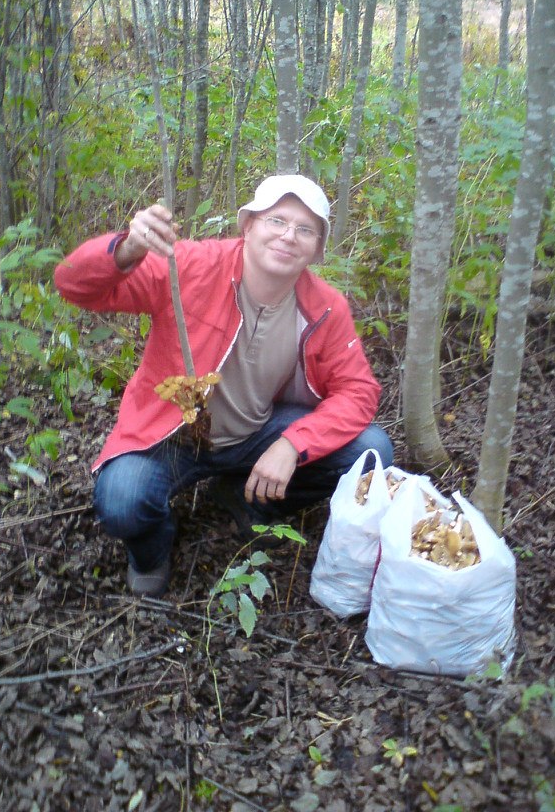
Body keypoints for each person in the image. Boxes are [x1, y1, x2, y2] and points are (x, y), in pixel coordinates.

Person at [54, 174, 393, 597]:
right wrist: (126, 250)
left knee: (371, 451)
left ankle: (246, 496)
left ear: (316, 249)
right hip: (171, 435)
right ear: (248, 226)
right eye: (277, 221)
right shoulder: (192, 266)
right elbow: (73, 284)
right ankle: (152, 549)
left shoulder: (325, 307)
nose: (289, 236)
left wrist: (291, 445)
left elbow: (358, 391)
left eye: (305, 229)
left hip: (257, 433)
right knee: (123, 500)